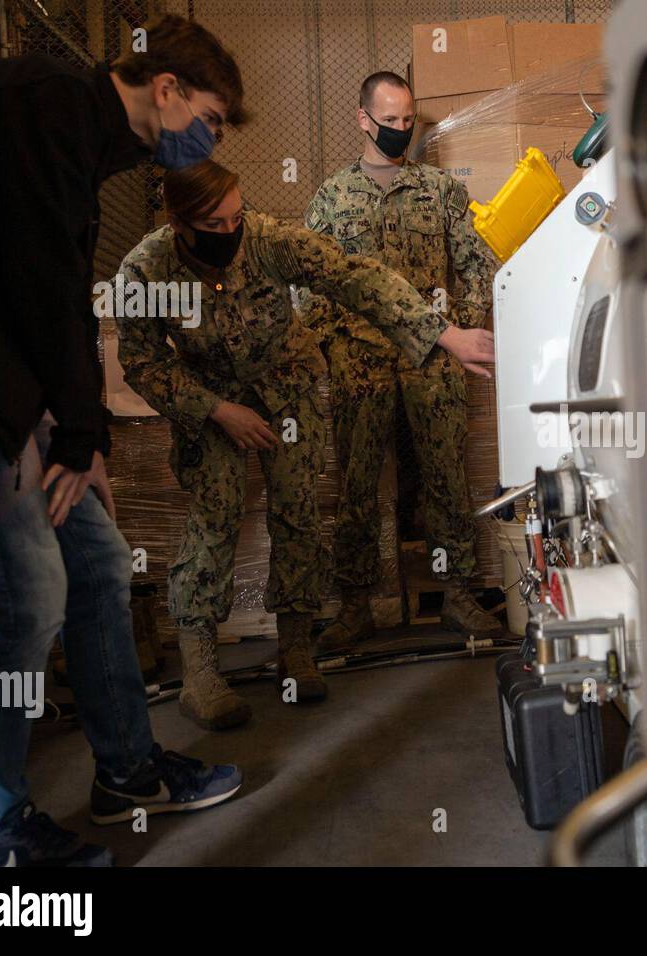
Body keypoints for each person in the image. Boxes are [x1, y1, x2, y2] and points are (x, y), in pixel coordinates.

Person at [0, 15, 247, 868]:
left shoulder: (83, 134)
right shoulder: (54, 107)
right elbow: (32, 283)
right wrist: (61, 427)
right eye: (211, 121)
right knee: (22, 597)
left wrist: (86, 435)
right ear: (169, 89)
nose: (209, 142)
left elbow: (55, 292)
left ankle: (127, 773)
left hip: (10, 385)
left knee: (102, 567)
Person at [116, 160, 494, 731]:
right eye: (215, 224)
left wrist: (440, 332)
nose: (232, 231)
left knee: (295, 514)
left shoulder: (270, 240)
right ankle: (200, 674)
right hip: (210, 399)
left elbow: (357, 277)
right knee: (214, 516)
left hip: (286, 385)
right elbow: (142, 363)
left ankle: (294, 650)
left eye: (236, 216)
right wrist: (217, 410)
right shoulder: (145, 272)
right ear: (179, 222)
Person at [304, 70, 502, 649]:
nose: (399, 129)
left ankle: (459, 597)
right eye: (388, 120)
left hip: (433, 360)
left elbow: (477, 264)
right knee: (359, 484)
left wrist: (462, 324)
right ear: (362, 118)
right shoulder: (331, 196)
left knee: (445, 480)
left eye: (407, 120)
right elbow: (307, 283)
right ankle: (357, 604)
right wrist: (332, 339)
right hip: (359, 363)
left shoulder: (441, 190)